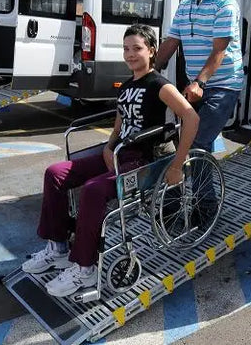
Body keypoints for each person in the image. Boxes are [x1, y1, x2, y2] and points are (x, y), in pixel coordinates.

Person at [22, 24, 199, 298]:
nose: (130, 54)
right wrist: (108, 146)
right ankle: (57, 248)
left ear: (152, 51)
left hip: (142, 160)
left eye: (137, 48)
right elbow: (119, 123)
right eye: (126, 49)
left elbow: (191, 118)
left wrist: (178, 163)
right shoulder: (127, 85)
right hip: (119, 154)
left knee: (93, 190)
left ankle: (85, 267)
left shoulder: (160, 85)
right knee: (55, 173)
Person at [154, 0, 244, 210]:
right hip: (198, 87)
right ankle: (181, 196)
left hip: (223, 86)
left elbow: (219, 50)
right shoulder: (185, 6)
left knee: (196, 143)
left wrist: (199, 82)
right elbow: (171, 42)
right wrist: (149, 72)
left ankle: (206, 207)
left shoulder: (225, 4)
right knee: (181, 141)